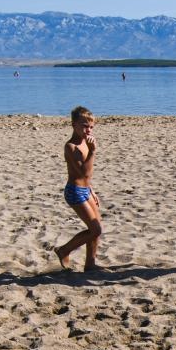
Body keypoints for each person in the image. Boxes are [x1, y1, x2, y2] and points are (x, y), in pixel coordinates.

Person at [54, 106, 104, 272]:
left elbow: (87, 178)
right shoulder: (71, 147)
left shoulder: (86, 143)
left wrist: (91, 190)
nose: (88, 130)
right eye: (84, 126)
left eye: (91, 127)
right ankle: (64, 250)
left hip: (86, 190)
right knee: (95, 229)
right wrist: (93, 152)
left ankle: (90, 264)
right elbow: (84, 171)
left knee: (96, 228)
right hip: (74, 191)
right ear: (73, 125)